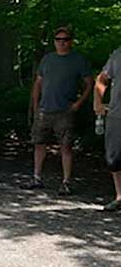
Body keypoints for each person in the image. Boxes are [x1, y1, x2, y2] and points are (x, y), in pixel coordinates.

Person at [26, 25, 93, 195]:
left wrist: (78, 103)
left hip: (65, 110)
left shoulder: (78, 60)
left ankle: (66, 181)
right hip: (44, 109)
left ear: (71, 42)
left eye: (66, 40)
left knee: (66, 146)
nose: (62, 43)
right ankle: (36, 177)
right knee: (39, 143)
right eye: (58, 40)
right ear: (54, 42)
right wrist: (35, 106)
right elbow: (38, 83)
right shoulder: (47, 59)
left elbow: (90, 83)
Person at [94, 49, 121, 211]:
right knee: (114, 158)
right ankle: (119, 197)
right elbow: (102, 78)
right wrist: (98, 101)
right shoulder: (118, 54)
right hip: (116, 114)